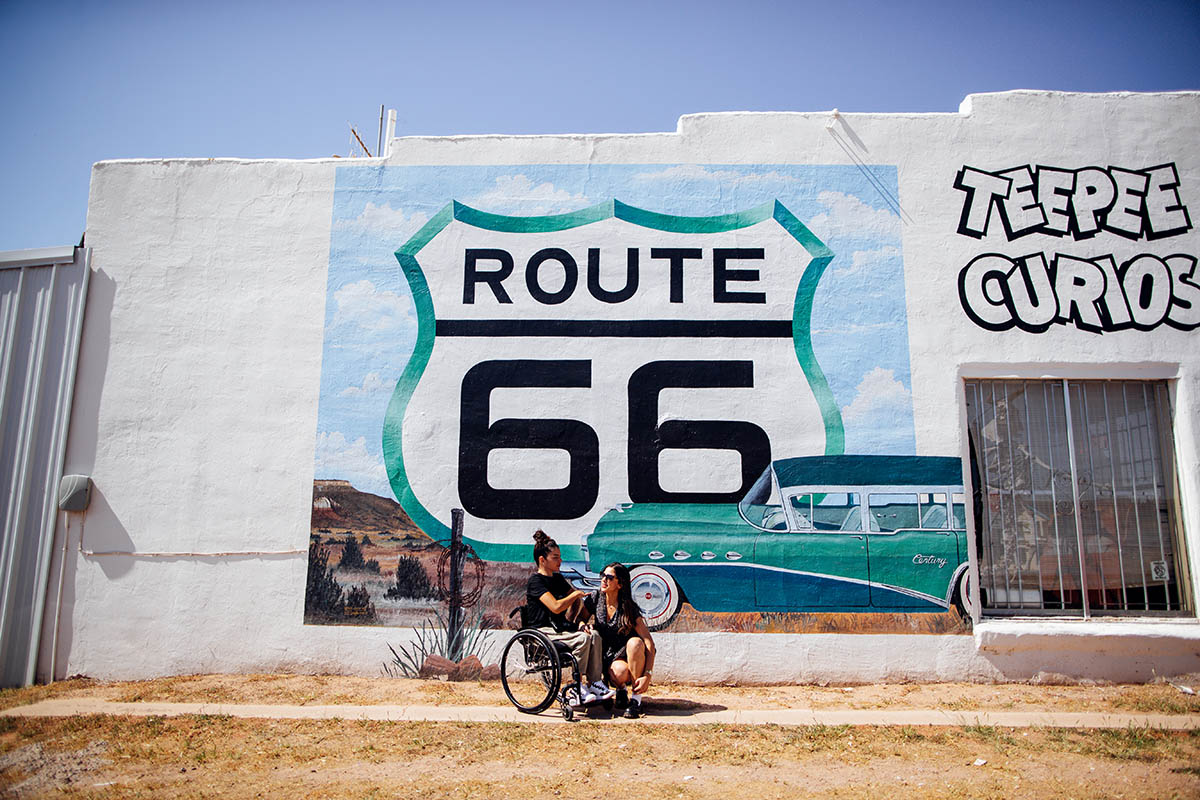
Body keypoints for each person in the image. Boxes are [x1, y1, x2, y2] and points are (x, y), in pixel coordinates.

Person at [526, 530, 613, 705]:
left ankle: (595, 683)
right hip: (542, 631)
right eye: (555, 557)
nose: (560, 561)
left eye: (560, 557)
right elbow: (556, 606)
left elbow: (574, 601)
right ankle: (576, 686)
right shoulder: (536, 582)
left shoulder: (557, 578)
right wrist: (574, 596)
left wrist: (575, 622)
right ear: (542, 560)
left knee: (594, 635)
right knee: (582, 640)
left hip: (559, 629)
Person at [582, 562, 656, 718]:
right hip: (602, 660)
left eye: (609, 577)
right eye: (603, 575)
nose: (604, 580)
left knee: (636, 643)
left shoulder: (628, 608)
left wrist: (647, 675)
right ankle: (620, 690)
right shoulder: (596, 598)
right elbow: (578, 620)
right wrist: (584, 625)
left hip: (624, 657)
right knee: (617, 672)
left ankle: (636, 700)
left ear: (620, 584)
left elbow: (649, 642)